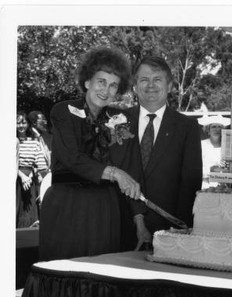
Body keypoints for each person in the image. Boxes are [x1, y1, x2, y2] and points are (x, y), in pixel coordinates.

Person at [39, 46, 146, 261]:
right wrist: (114, 173)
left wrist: (140, 222)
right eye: (101, 81)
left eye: (113, 85)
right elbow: (72, 158)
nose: (106, 90)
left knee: (100, 271)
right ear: (87, 82)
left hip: (104, 208)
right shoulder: (63, 111)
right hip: (66, 203)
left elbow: (131, 169)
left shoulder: (122, 120)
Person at [127, 56, 202, 247]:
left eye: (157, 79)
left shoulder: (187, 127)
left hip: (167, 231)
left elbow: (190, 183)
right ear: (135, 86)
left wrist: (181, 229)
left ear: (169, 86)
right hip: (119, 226)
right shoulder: (117, 121)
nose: (150, 85)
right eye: (144, 80)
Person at [16, 111, 48, 228]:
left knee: (30, 215)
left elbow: (40, 164)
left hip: (31, 181)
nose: (21, 126)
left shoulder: (34, 142)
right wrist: (22, 176)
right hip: (16, 180)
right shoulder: (12, 141)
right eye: (18, 123)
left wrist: (32, 174)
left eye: (23, 122)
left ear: (28, 124)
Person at [198, 115, 231, 189]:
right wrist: (211, 169)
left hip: (224, 187)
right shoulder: (201, 145)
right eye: (213, 127)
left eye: (219, 127)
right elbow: (195, 168)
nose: (217, 129)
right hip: (205, 185)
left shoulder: (228, 146)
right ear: (208, 130)